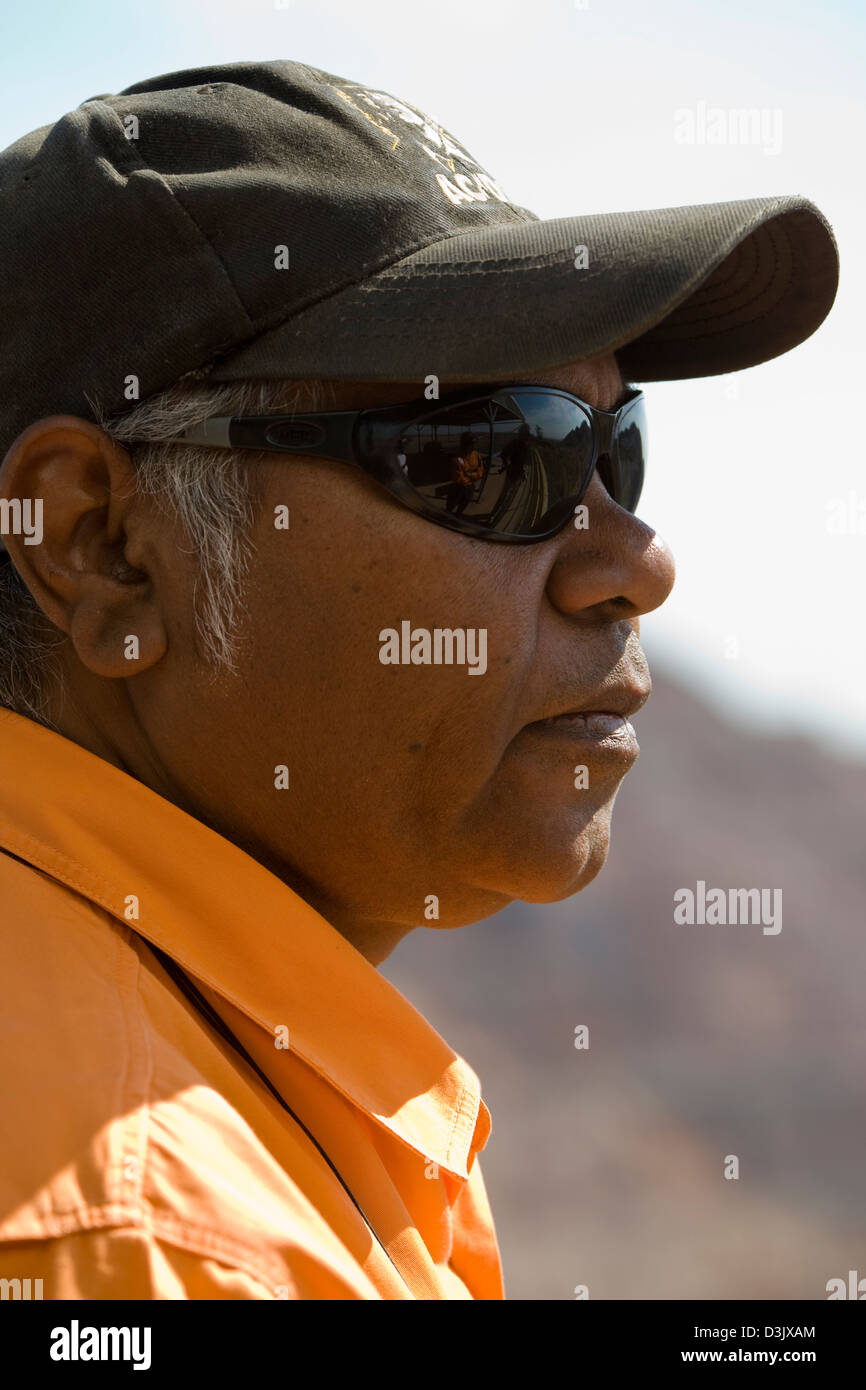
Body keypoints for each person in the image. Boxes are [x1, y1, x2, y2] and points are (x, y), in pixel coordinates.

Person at [0, 59, 838, 1300]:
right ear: (104, 547)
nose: (633, 563)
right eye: (483, 455)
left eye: (618, 448)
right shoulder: (158, 1245)